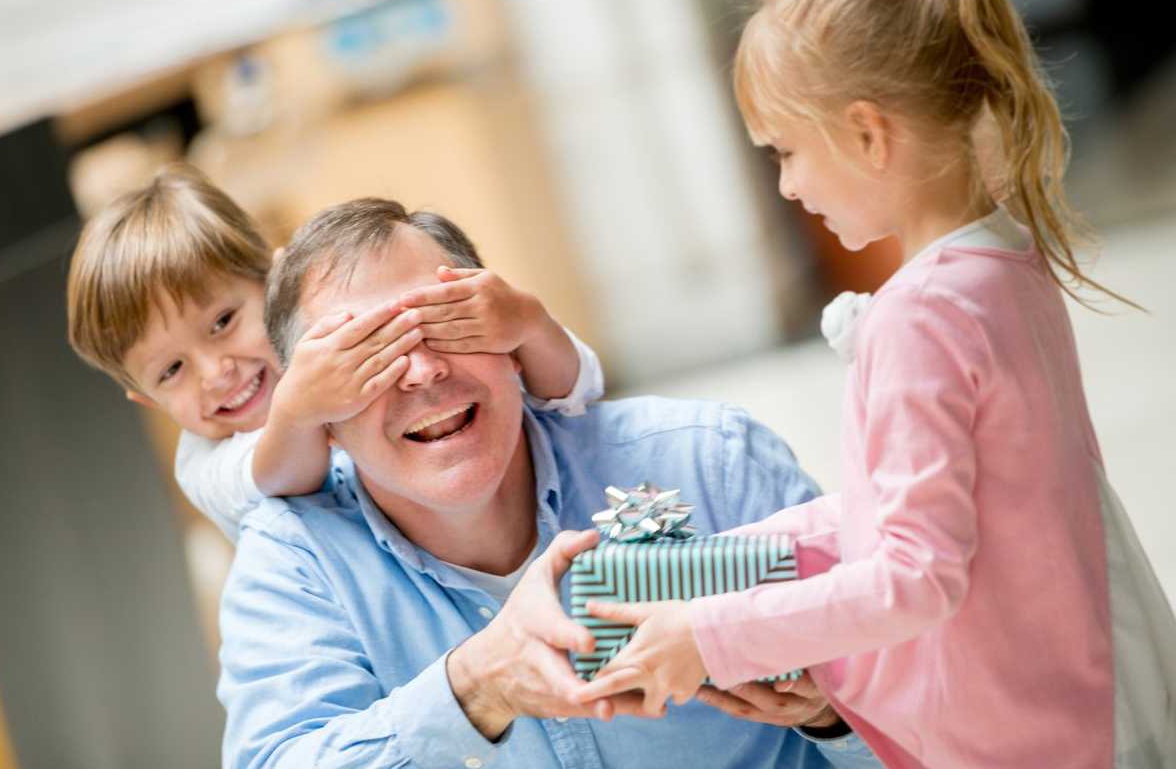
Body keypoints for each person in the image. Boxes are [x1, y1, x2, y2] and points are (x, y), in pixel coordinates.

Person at [575, 0, 1176, 766]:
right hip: (1098, 671)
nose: (788, 184)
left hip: (1030, 730)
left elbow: (916, 573)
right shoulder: (1001, 263)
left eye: (786, 153)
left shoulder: (918, 315)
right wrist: (729, 560)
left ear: (867, 132)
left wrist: (709, 635)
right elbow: (954, 507)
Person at [216, 197, 881, 768]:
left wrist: (837, 710)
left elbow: (938, 707)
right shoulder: (292, 567)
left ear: (508, 337)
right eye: (368, 356)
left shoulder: (712, 460)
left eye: (447, 322)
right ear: (320, 422)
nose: (420, 371)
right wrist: (477, 684)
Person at [66, 164, 602, 543]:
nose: (215, 371)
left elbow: (577, 392)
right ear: (150, 401)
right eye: (172, 370)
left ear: (277, 289)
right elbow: (284, 478)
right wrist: (302, 409)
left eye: (223, 322)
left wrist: (528, 327)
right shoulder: (206, 463)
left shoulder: (368, 339)